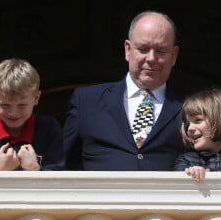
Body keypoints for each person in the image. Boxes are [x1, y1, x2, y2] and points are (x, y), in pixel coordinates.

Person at [62, 10, 185, 170]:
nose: (151, 58)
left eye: (161, 51)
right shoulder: (87, 101)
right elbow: (59, 163)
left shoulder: (190, 107)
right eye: (143, 49)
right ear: (128, 49)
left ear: (174, 55)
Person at [0, 58, 64, 171]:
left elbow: (57, 175)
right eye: (5, 105)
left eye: (22, 106)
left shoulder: (48, 128)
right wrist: (0, 170)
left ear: (36, 98)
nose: (13, 113)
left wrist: (34, 169)